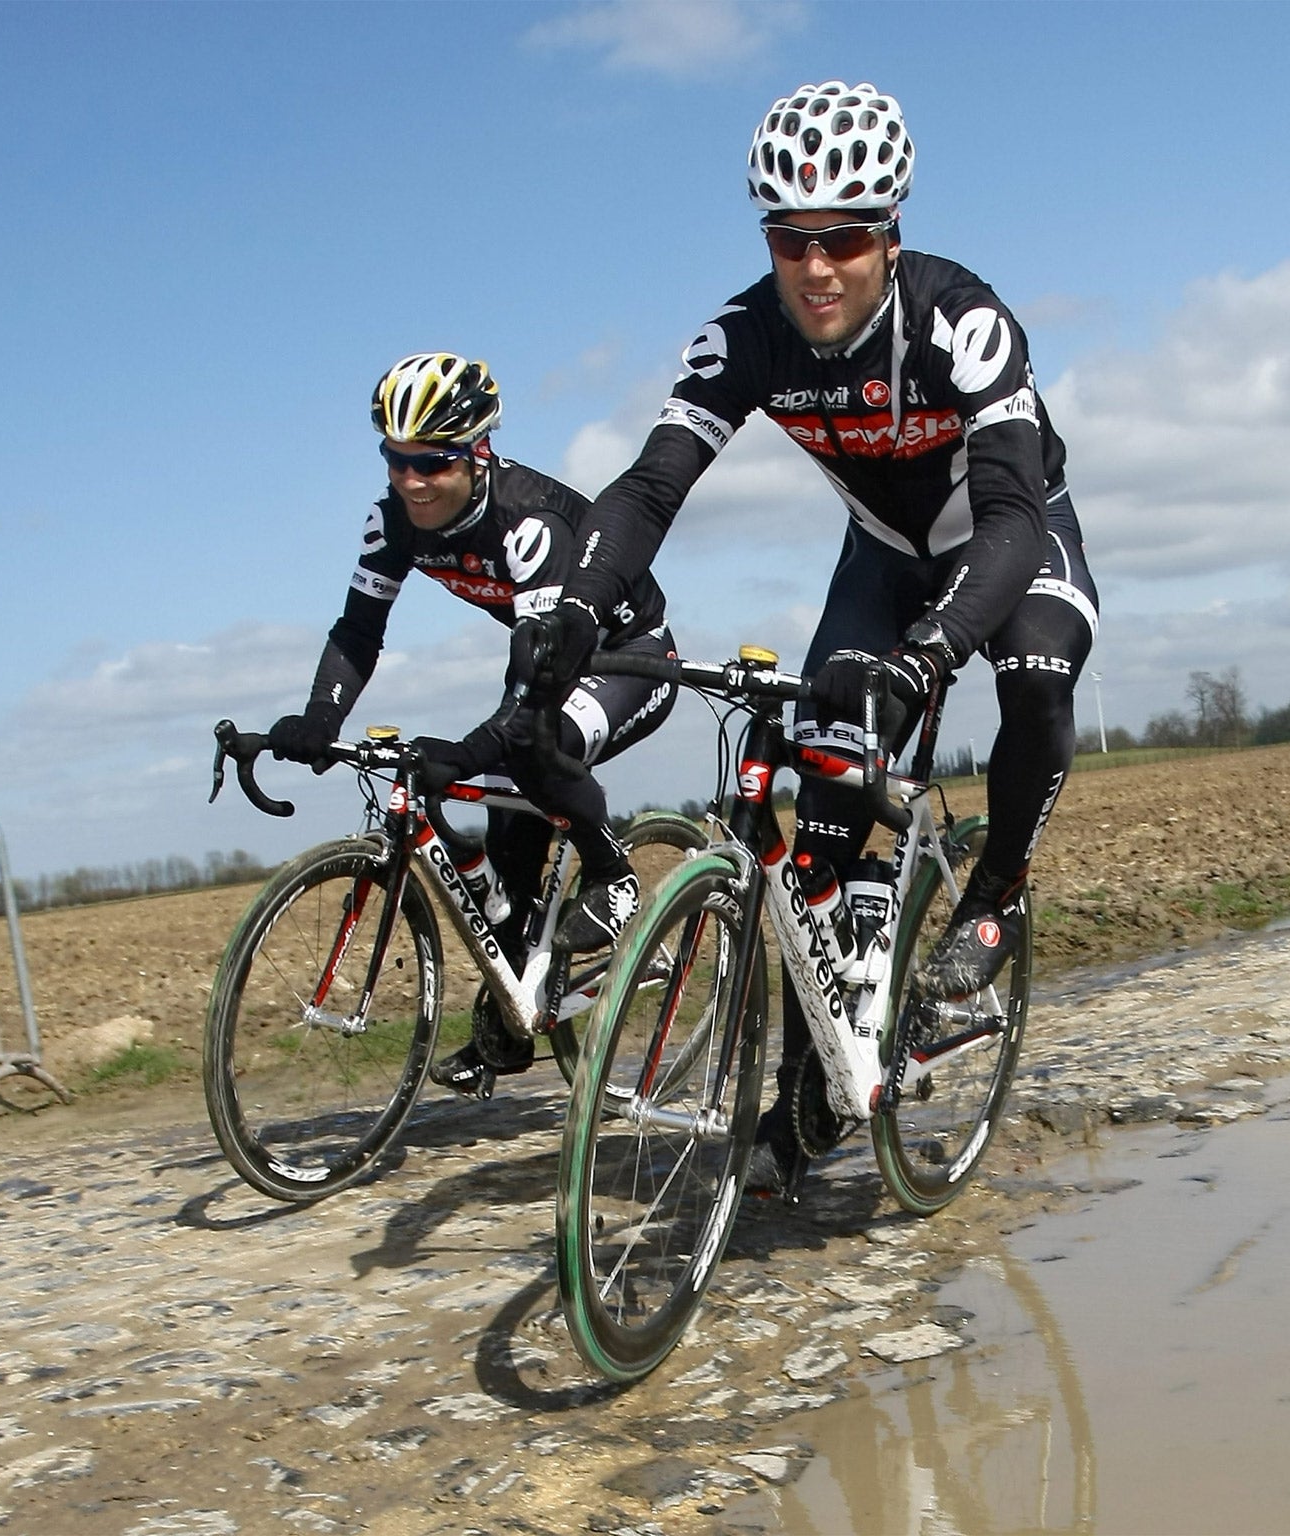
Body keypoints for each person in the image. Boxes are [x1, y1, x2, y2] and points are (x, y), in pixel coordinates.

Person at [534, 82, 1099, 1194]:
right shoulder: (742, 335)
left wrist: (934, 656)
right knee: (820, 837)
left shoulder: (960, 319)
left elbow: (1010, 512)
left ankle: (992, 893)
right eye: (790, 239)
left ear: (889, 235)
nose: (817, 265)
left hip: (1005, 538)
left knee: (1033, 678)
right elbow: (652, 484)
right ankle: (812, 1093)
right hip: (882, 557)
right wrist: (570, 609)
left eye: (844, 236)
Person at [265, 352, 678, 1098]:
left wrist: (464, 752)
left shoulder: (529, 522)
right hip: (542, 653)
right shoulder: (392, 518)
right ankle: (508, 1025)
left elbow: (535, 698)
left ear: (476, 451)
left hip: (627, 658)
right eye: (396, 461)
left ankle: (615, 879)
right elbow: (359, 631)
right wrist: (320, 717)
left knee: (533, 748)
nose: (411, 481)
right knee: (507, 852)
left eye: (432, 462)